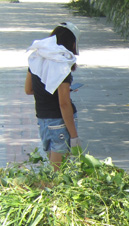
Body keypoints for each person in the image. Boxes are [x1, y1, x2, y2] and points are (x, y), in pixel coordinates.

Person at [25, 22, 81, 169]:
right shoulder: (61, 63)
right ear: (72, 44)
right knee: (57, 175)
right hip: (59, 123)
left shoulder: (37, 57)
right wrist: (74, 136)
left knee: (53, 169)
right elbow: (64, 104)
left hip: (43, 121)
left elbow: (29, 89)